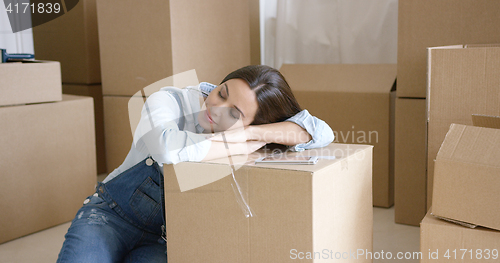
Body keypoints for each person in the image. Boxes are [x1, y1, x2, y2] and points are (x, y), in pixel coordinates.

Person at [56, 65, 334, 263]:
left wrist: (249, 133)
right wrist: (234, 140)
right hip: (109, 217)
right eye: (221, 93)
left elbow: (322, 132)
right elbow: (166, 147)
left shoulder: (247, 131)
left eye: (234, 113)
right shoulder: (169, 99)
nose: (215, 108)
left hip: (168, 237)